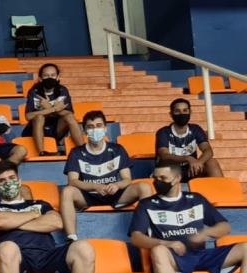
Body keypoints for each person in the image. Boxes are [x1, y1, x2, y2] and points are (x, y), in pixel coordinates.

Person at [129, 161, 247, 273]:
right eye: (155, 178)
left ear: (177, 178)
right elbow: (136, 237)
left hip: (202, 254)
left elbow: (224, 226)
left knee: (245, 248)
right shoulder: (147, 204)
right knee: (158, 250)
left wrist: (206, 233)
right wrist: (167, 243)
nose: (157, 182)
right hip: (175, 258)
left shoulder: (196, 199)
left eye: (163, 178)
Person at [60, 111, 152, 241]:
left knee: (144, 187)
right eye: (90, 127)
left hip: (114, 193)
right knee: (67, 191)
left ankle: (146, 232)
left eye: (98, 125)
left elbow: (127, 179)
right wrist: (95, 186)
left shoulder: (117, 149)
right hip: (88, 195)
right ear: (85, 130)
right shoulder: (76, 152)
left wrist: (117, 185)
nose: (95, 130)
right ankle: (71, 237)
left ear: (105, 128)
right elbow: (73, 181)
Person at [23, 63, 83, 156]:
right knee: (39, 117)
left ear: (58, 77)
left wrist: (49, 108)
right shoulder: (34, 92)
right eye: (46, 75)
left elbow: (69, 112)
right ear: (40, 78)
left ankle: (83, 149)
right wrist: (53, 109)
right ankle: (41, 152)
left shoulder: (63, 90)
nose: (50, 78)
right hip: (35, 129)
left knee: (69, 116)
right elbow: (28, 116)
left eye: (53, 75)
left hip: (56, 130)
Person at [155, 98, 223, 180]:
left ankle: (221, 188)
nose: (182, 114)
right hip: (171, 170)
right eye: (177, 111)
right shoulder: (163, 132)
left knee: (211, 162)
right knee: (167, 167)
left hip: (192, 169)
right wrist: (187, 158)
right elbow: (164, 155)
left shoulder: (196, 129)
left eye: (185, 110)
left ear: (190, 112)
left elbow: (208, 150)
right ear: (171, 114)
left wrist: (199, 162)